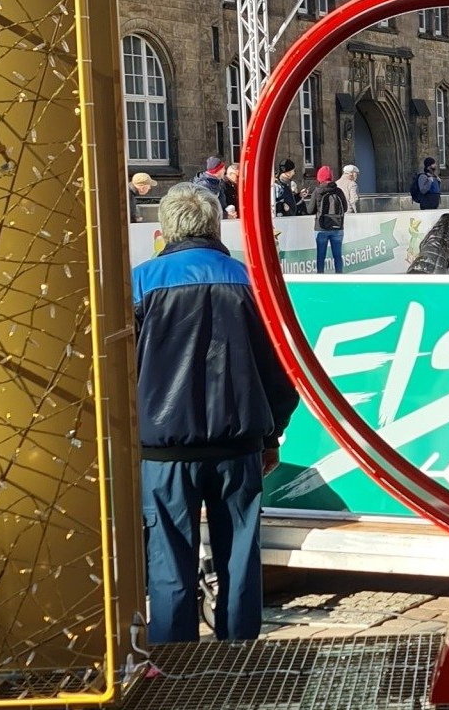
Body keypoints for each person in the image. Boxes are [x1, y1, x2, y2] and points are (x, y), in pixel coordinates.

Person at [133, 182, 298, 642]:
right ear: (215, 227)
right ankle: (240, 659)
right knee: (240, 560)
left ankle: (174, 661)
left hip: (163, 449)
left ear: (165, 229)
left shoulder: (140, 282)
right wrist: (271, 435)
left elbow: (116, 371)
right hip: (238, 443)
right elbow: (280, 369)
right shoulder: (249, 282)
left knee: (169, 563)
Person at [312, 165, 347, 274]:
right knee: (337, 256)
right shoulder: (338, 191)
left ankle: (321, 278)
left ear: (319, 178)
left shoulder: (317, 191)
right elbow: (345, 208)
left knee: (320, 256)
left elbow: (309, 210)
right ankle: (339, 277)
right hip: (337, 226)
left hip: (321, 227)